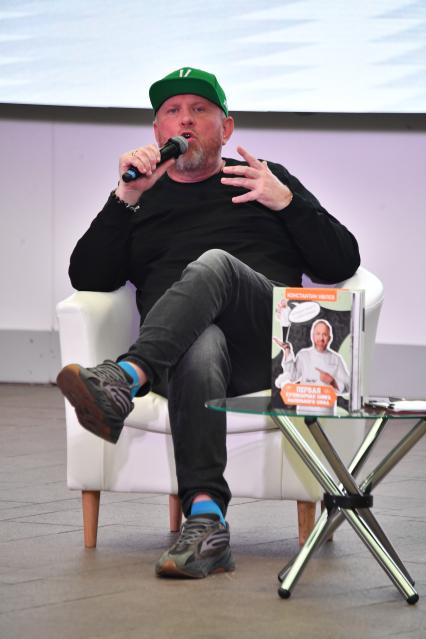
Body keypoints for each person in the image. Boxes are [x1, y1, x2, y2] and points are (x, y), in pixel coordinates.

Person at [56, 66, 360, 579]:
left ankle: (124, 378)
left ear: (227, 127)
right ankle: (206, 522)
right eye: (172, 111)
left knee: (214, 265)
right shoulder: (142, 198)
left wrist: (287, 202)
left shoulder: (263, 179)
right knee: (200, 342)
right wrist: (126, 199)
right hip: (180, 355)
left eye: (200, 110)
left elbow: (341, 261)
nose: (186, 120)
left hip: (270, 349)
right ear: (157, 131)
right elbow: (87, 276)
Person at [274, 319, 350, 392]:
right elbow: (292, 377)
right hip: (306, 399)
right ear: (312, 336)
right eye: (318, 334)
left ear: (329, 338)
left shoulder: (336, 359)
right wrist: (287, 349)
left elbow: (349, 386)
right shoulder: (303, 355)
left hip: (326, 400)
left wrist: (332, 382)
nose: (321, 338)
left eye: (325, 334)